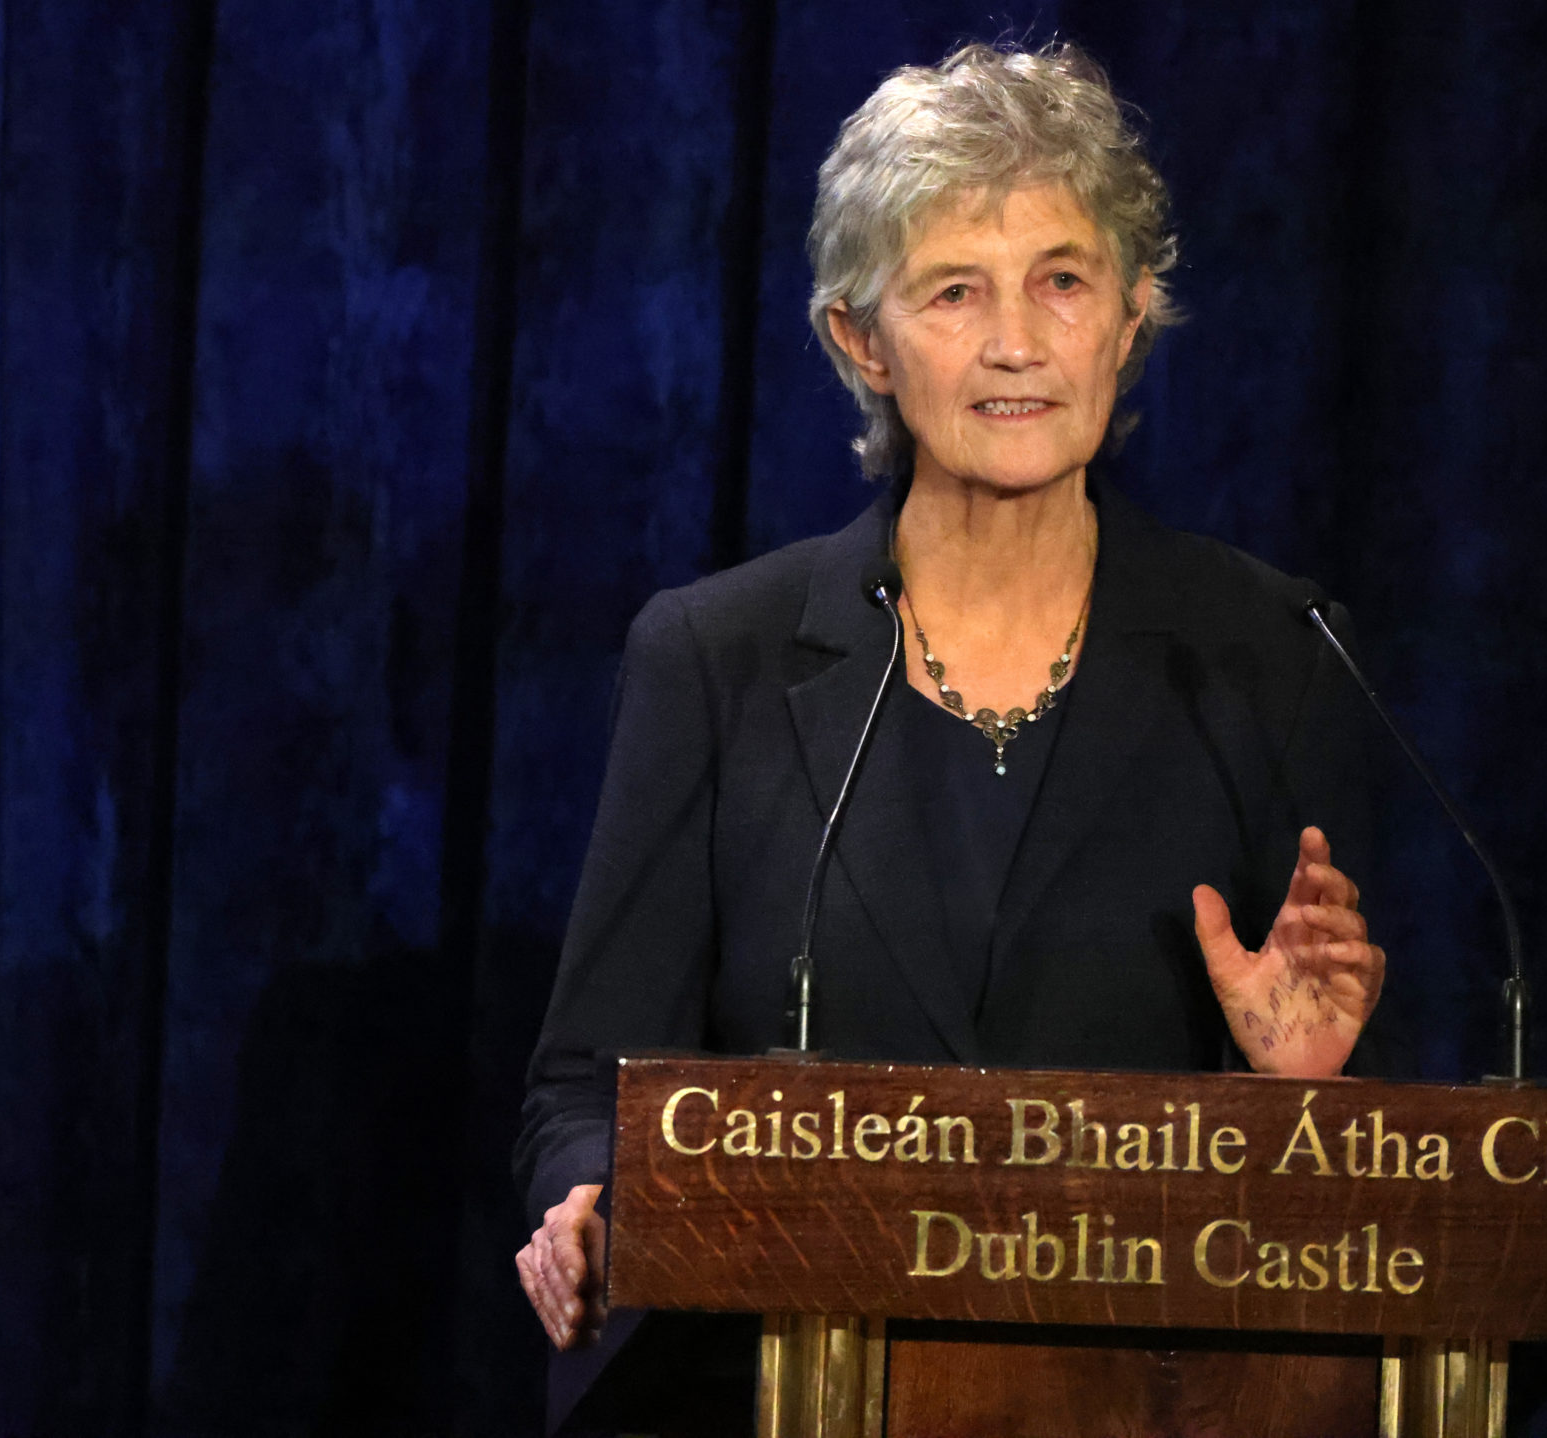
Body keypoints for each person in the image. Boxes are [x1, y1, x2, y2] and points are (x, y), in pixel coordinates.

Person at [514, 40, 1390, 1355]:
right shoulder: (717, 657)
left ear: (1130, 319)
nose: (1017, 344)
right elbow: (589, 1087)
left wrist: (1302, 1100)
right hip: (788, 1384)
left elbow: (1371, 1188)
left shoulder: (1271, 654)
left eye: (1062, 281)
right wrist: (589, 1202)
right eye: (955, 292)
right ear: (860, 340)